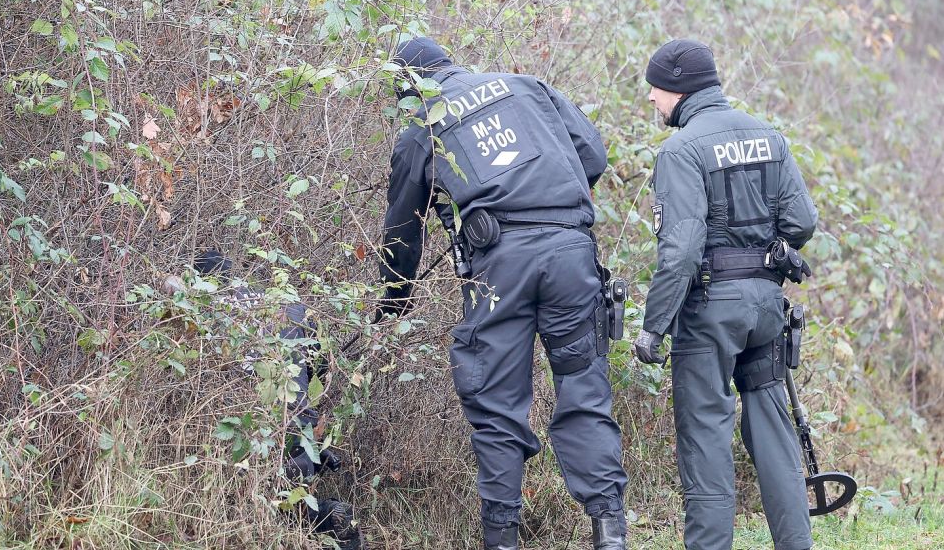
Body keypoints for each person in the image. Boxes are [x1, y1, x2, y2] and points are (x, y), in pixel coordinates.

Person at [378, 37, 628, 550]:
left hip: (500, 267)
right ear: (451, 64)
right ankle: (610, 531)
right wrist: (555, 207)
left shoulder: (421, 126)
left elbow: (403, 227)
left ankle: (502, 539)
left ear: (407, 87)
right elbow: (593, 154)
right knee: (585, 387)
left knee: (495, 402)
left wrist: (395, 297)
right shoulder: (527, 86)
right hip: (571, 253)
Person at [632, 40, 818, 550]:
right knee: (772, 426)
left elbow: (681, 252)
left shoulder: (681, 149)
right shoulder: (769, 137)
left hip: (710, 310)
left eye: (655, 88)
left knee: (705, 436)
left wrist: (654, 326)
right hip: (764, 305)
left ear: (678, 89)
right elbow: (802, 222)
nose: (650, 98)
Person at [164, 251, 363, 550]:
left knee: (285, 511)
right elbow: (321, 370)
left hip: (251, 430)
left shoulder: (205, 309)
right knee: (296, 495)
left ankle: (322, 517)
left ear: (201, 282)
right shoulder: (286, 303)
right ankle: (329, 517)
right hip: (297, 423)